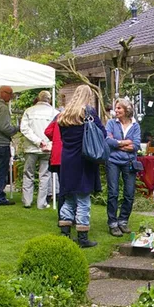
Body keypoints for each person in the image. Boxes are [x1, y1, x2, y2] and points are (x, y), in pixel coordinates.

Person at [57, 85, 103, 248]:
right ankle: (83, 238)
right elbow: (101, 132)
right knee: (83, 200)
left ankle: (65, 234)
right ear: (88, 96)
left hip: (67, 159)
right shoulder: (88, 112)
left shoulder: (63, 115)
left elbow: (62, 138)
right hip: (83, 159)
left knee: (69, 197)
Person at [105, 97, 141, 236]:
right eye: (116, 108)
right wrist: (125, 143)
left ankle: (123, 221)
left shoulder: (135, 126)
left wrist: (118, 144)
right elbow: (108, 141)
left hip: (129, 162)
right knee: (113, 192)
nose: (116, 110)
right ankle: (113, 223)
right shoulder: (111, 123)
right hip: (113, 161)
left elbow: (136, 145)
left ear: (127, 110)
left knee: (129, 193)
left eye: (119, 108)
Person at [19, 90, 57, 209]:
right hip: (47, 149)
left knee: (28, 173)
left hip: (31, 148)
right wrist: (46, 143)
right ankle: (41, 203)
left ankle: (27, 201)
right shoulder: (54, 113)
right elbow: (56, 132)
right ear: (49, 100)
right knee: (45, 175)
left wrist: (37, 141)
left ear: (38, 98)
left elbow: (24, 129)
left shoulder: (29, 111)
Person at [44, 116, 65, 214]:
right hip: (72, 154)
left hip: (58, 155)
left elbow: (48, 131)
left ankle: (62, 216)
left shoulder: (59, 117)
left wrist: (56, 138)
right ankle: (73, 215)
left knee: (63, 187)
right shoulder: (79, 115)